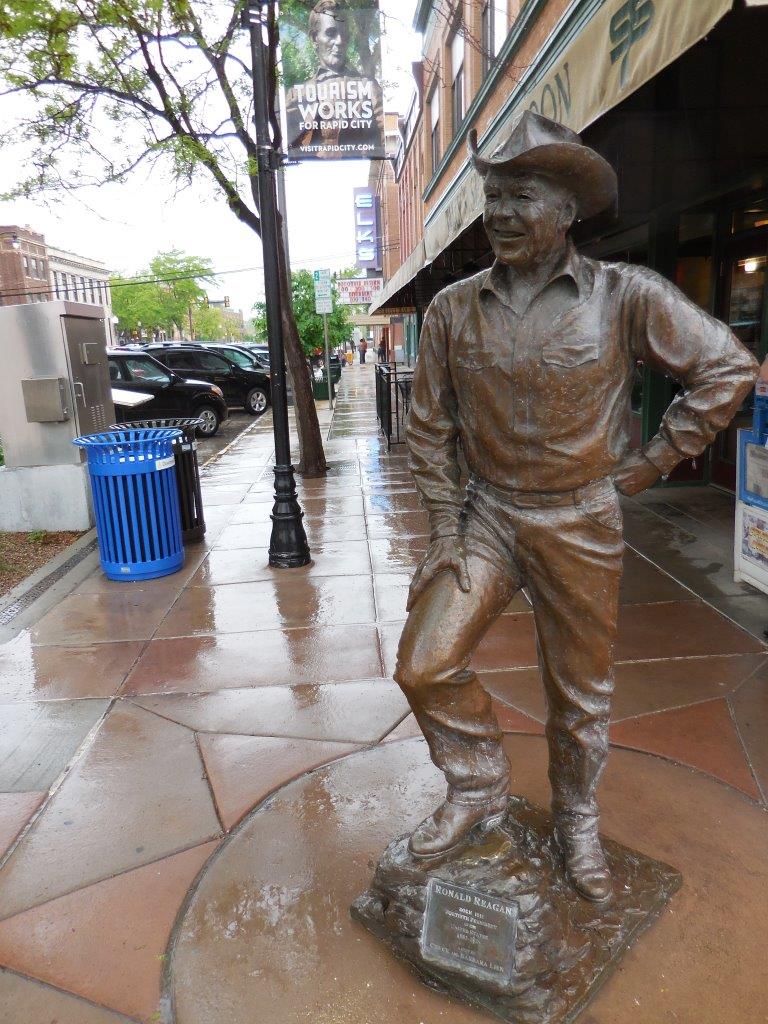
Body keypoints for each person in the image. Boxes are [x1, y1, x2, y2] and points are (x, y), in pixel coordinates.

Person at [394, 111, 759, 902]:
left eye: (520, 195)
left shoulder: (626, 295)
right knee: (424, 662)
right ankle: (476, 786)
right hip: (487, 515)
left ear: (566, 210)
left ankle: (577, 818)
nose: (500, 213)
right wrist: (444, 527)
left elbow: (728, 369)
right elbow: (427, 429)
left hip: (580, 520)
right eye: (493, 196)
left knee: (580, 696)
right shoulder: (453, 309)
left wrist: (657, 459)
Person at [284, 0, 384, 160]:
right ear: (314, 38)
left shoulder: (369, 88)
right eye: (331, 33)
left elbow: (383, 141)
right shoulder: (296, 95)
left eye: (344, 34)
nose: (339, 41)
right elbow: (286, 146)